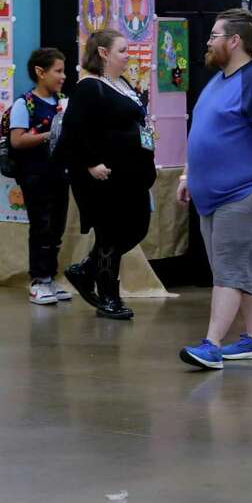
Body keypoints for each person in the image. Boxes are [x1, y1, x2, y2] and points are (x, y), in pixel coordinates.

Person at [178, 10, 252, 369]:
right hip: (215, 196)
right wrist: (188, 175)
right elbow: (203, 131)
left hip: (244, 194)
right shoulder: (219, 80)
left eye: (215, 35)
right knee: (240, 269)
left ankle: (212, 345)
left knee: (231, 270)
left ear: (235, 41)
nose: (208, 42)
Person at [58, 29, 155, 319]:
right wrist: (90, 163)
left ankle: (85, 270)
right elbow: (73, 131)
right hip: (107, 178)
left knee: (137, 226)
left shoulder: (121, 83)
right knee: (111, 235)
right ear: (103, 53)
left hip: (132, 176)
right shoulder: (90, 87)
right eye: (122, 50)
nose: (128, 55)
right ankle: (109, 297)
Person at [9, 48, 71, 305]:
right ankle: (38, 279)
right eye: (58, 71)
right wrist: (49, 135)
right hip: (35, 176)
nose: (63, 76)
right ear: (40, 72)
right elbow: (17, 140)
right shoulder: (25, 104)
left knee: (57, 227)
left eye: (63, 70)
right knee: (41, 226)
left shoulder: (62, 102)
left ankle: (50, 278)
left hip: (59, 175)